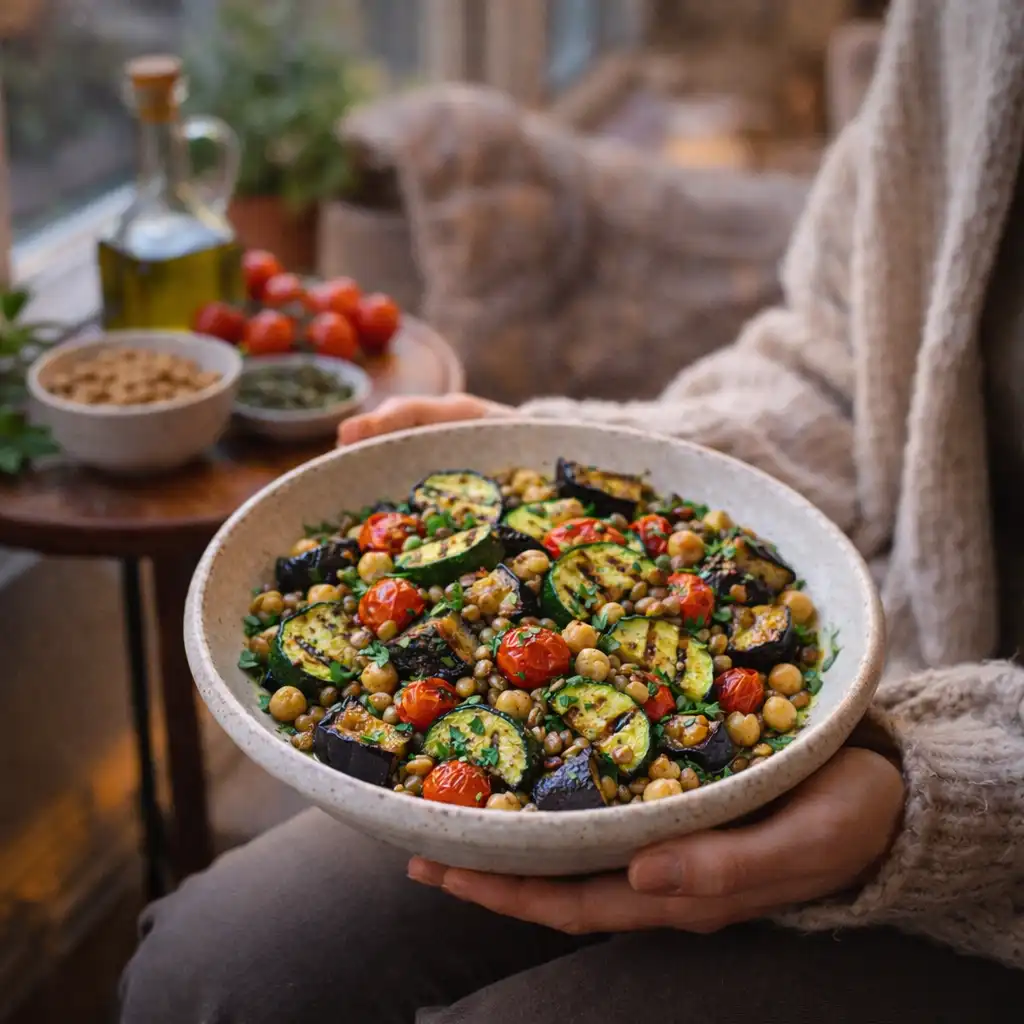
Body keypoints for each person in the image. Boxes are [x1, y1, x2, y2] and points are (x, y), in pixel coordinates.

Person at [120, 1, 1024, 1020]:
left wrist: (942, 799)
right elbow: (840, 369)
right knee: (208, 973)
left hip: (986, 849)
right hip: (841, 677)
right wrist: (585, 469)